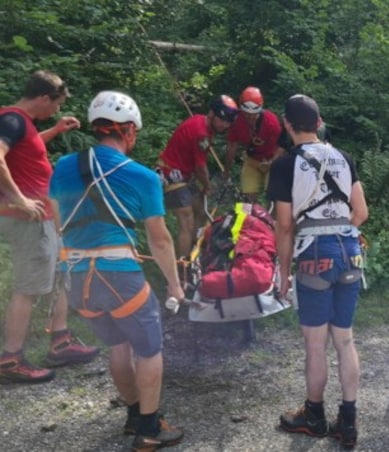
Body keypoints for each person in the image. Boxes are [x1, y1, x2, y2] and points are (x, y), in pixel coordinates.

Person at [50, 91, 185, 449]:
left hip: (78, 278)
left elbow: (56, 219)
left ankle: (134, 415)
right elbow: (160, 240)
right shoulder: (142, 177)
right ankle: (150, 429)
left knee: (119, 345)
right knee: (149, 349)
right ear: (127, 131)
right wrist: (174, 285)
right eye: (135, 132)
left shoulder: (63, 166)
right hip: (119, 274)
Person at [269, 94, 368, 450]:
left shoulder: (284, 164)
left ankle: (314, 416)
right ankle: (349, 420)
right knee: (344, 339)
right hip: (350, 251)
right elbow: (361, 213)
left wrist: (283, 274)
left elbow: (283, 226)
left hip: (313, 254)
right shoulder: (343, 156)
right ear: (320, 121)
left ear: (287, 124)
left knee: (315, 344)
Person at [0, 70, 99, 384]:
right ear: (44, 97)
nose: (56, 110)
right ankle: (10, 358)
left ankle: (61, 342)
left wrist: (55, 130)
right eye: (56, 105)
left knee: (61, 273)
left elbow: (25, 151)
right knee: (28, 289)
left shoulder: (20, 124)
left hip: (45, 219)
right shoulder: (12, 120)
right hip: (29, 221)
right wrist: (19, 200)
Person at [155, 95, 238, 260]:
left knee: (200, 208)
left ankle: (195, 248)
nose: (225, 125)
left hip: (184, 176)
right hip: (171, 175)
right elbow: (200, 167)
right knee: (187, 222)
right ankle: (183, 267)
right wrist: (207, 185)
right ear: (212, 114)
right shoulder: (201, 132)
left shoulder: (203, 124)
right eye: (223, 120)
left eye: (228, 122)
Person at [225, 86, 283, 203]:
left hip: (272, 161)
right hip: (252, 160)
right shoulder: (236, 121)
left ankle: (272, 220)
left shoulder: (271, 122)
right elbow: (232, 146)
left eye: (254, 114)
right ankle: (251, 219)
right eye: (247, 114)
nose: (250, 117)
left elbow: (281, 147)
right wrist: (227, 169)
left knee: (273, 198)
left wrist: (272, 162)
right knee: (248, 198)